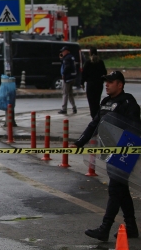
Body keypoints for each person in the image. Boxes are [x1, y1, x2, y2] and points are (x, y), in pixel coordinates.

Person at [70, 71, 140, 242]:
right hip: (109, 152)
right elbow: (94, 124)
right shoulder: (106, 102)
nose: (106, 85)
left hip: (124, 152)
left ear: (120, 84)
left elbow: (135, 128)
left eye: (110, 82)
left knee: (115, 190)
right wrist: (79, 142)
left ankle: (104, 228)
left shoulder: (128, 102)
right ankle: (131, 227)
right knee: (121, 190)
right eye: (106, 82)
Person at [81, 47, 107, 119]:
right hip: (99, 84)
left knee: (91, 102)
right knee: (97, 101)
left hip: (90, 85)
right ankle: (98, 115)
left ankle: (94, 116)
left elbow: (84, 74)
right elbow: (104, 73)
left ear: (90, 53)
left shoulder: (88, 63)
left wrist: (82, 83)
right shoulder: (100, 62)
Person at [58, 46, 77, 114]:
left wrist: (64, 74)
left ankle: (64, 109)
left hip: (67, 78)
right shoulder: (71, 57)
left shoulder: (66, 58)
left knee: (65, 94)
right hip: (72, 77)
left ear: (67, 51)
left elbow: (67, 66)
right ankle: (74, 108)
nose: (62, 52)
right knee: (70, 94)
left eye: (63, 51)